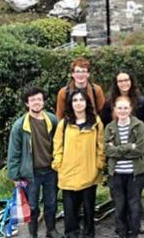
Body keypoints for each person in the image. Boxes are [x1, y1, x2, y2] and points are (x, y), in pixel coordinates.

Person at [100, 70, 144, 233]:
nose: (123, 83)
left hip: (135, 159)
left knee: (134, 197)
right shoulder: (109, 103)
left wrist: (133, 145)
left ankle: (138, 222)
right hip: (117, 162)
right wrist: (127, 147)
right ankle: (122, 226)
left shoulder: (141, 101)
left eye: (126, 80)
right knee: (120, 199)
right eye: (120, 81)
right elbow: (106, 133)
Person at [7, 87, 62, 238]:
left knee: (51, 203)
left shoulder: (52, 120)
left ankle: (51, 230)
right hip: (31, 174)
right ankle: (33, 234)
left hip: (51, 171)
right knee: (32, 206)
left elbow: (61, 144)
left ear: (43, 101)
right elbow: (14, 152)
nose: (36, 102)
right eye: (32, 100)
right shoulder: (19, 126)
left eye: (39, 99)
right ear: (27, 103)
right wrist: (15, 176)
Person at [52, 89, 105, 238]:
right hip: (68, 172)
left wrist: (99, 163)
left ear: (87, 102)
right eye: (75, 100)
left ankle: (89, 233)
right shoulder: (64, 123)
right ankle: (71, 233)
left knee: (89, 208)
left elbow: (101, 144)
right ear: (71, 103)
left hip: (89, 171)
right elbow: (57, 145)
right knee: (70, 209)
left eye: (81, 100)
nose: (78, 103)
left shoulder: (95, 121)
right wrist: (58, 163)